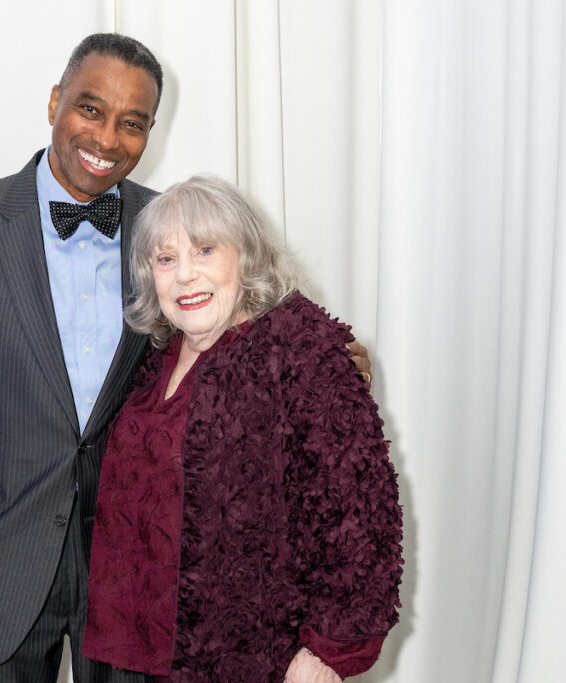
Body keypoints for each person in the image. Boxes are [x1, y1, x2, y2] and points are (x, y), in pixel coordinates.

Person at [0, 33, 373, 682]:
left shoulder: (170, 233)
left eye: (133, 123)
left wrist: (328, 355)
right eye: (91, 109)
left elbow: (249, 310)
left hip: (135, 571)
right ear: (56, 101)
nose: (108, 138)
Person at [81, 175, 402, 682]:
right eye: (166, 260)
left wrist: (327, 652)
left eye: (205, 251)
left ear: (246, 257)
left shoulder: (301, 350)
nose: (185, 276)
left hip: (250, 659)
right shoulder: (158, 357)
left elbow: (360, 514)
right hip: (135, 654)